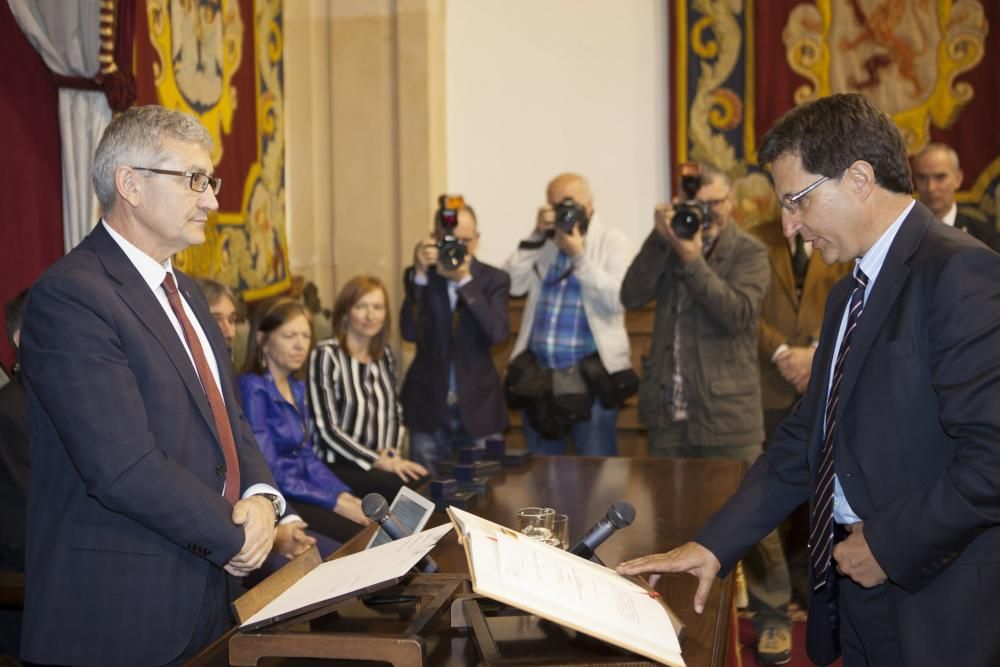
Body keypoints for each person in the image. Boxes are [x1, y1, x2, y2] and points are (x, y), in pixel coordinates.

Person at [619, 93, 1000, 666]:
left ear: (860, 179)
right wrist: (712, 546)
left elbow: (992, 456)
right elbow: (807, 438)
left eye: (796, 200)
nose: (790, 226)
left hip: (935, 596)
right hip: (858, 586)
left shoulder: (958, 271)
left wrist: (889, 546)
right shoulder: (849, 290)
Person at [19, 105, 284, 666]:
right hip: (119, 614)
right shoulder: (72, 297)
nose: (212, 199)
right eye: (194, 180)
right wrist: (237, 537)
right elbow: (121, 466)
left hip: (206, 593)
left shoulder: (187, 292)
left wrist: (262, 499)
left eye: (210, 181)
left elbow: (228, 419)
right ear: (131, 185)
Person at [619, 163, 793, 664]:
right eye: (698, 204)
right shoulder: (672, 242)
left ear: (731, 205)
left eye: (716, 204)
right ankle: (677, 613)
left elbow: (738, 314)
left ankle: (774, 616)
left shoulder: (750, 253)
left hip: (728, 414)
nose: (706, 213)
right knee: (674, 520)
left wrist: (693, 259)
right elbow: (630, 295)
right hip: (671, 414)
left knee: (754, 520)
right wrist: (661, 242)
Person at [749, 183, 851, 611]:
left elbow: (850, 300)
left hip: (821, 373)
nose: (791, 216)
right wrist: (780, 352)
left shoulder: (838, 238)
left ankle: (810, 586)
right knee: (773, 485)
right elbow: (746, 310)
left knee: (817, 490)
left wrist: (813, 355)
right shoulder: (757, 239)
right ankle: (775, 595)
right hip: (770, 382)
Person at [504, 173, 633, 455]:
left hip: (591, 379)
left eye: (566, 203)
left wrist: (579, 256)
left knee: (600, 479)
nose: (560, 211)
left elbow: (617, 300)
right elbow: (512, 284)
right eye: (553, 205)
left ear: (589, 205)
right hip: (541, 380)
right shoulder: (545, 241)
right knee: (541, 479)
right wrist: (537, 234)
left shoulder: (612, 240)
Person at [240, 297, 370, 544]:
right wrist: (332, 502)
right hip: (278, 495)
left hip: (305, 487)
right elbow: (271, 469)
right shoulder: (252, 389)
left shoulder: (296, 386)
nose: (300, 345)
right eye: (290, 336)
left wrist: (341, 494)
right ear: (262, 340)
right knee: (358, 537)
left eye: (306, 336)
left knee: (367, 520)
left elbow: (308, 455)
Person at [401, 199, 510, 476]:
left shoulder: (493, 279)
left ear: (477, 240)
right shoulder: (422, 277)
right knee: (425, 493)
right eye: (450, 239)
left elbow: (497, 333)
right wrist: (422, 277)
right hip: (429, 406)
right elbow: (410, 332)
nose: (459, 246)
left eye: (466, 240)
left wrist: (465, 281)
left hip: (480, 407)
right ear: (435, 239)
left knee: (488, 491)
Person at [310, 275, 427, 500]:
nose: (370, 315)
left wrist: (391, 453)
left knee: (424, 481)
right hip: (339, 464)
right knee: (409, 489)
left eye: (377, 307)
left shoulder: (384, 356)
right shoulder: (326, 355)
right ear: (345, 313)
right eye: (361, 306)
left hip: (380, 461)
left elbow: (394, 412)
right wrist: (376, 460)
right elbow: (327, 429)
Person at [912, 142, 1000, 251]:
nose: (931, 187)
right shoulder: (905, 231)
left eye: (940, 177)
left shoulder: (983, 234)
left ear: (958, 179)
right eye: (922, 178)